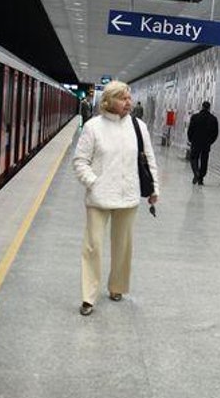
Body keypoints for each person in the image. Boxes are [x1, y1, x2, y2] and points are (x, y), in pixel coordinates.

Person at [72, 81, 159, 316]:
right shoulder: (93, 127)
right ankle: (88, 296)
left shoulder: (138, 127)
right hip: (98, 198)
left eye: (129, 98)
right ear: (108, 101)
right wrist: (93, 182)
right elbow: (80, 161)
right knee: (93, 246)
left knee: (123, 246)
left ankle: (117, 287)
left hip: (128, 196)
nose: (128, 102)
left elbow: (149, 160)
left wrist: (154, 189)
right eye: (122, 98)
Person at [187, 101, 218, 185]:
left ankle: (196, 172)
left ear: (202, 107)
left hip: (195, 142)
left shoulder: (195, 117)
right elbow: (215, 133)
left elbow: (190, 130)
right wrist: (210, 142)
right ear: (209, 108)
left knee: (194, 158)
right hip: (206, 144)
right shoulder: (213, 119)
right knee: (204, 160)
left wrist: (191, 139)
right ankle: (201, 178)